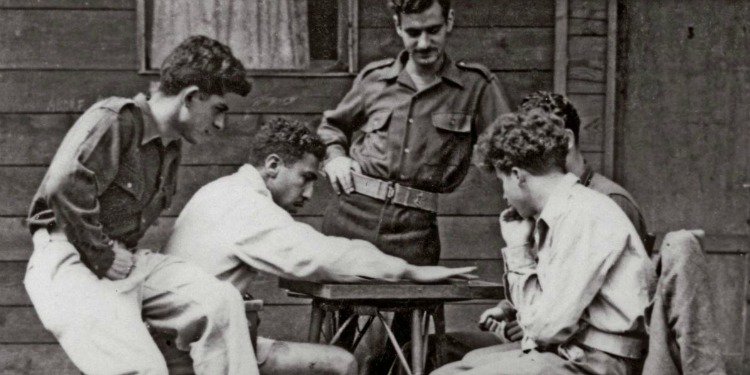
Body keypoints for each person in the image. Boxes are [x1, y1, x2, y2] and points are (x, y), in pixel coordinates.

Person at [163, 118, 477, 374]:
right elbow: (322, 255)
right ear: (273, 165)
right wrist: (409, 271)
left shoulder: (223, 190)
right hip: (195, 348)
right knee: (342, 363)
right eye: (306, 178)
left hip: (192, 332)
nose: (310, 193)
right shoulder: (246, 204)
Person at [24, 36, 259, 374]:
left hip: (123, 261)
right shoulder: (116, 120)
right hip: (70, 258)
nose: (220, 124)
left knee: (222, 303)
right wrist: (102, 255)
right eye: (218, 109)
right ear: (191, 97)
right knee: (143, 369)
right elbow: (63, 187)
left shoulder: (170, 146)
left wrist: (112, 257)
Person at [317, 0, 510, 369]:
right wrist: (336, 156)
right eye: (413, 32)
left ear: (449, 21)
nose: (423, 43)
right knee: (338, 334)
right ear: (397, 26)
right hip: (350, 219)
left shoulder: (475, 86)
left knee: (406, 344)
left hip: (413, 231)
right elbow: (331, 126)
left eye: (433, 30)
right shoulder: (374, 80)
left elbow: (510, 146)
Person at [403, 92, 653, 373]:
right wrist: (519, 247)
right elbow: (541, 321)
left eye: (502, 182)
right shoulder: (564, 211)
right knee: (455, 369)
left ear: (519, 176)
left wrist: (519, 255)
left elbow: (545, 328)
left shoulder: (583, 216)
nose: (504, 196)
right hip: (577, 352)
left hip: (601, 362)